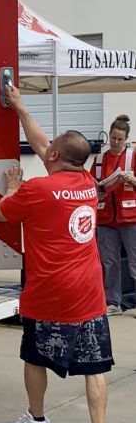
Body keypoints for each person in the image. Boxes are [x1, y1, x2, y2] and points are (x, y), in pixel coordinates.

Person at [0, 85, 113, 423]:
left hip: (49, 292)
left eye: (50, 148)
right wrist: (19, 107)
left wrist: (12, 189)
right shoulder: (88, 185)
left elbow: (1, 213)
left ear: (55, 155)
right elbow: (45, 141)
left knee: (34, 357)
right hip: (90, 292)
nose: (45, 148)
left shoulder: (37, 190)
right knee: (95, 367)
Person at [91, 114, 136, 316]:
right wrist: (97, 189)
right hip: (105, 219)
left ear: (126, 138)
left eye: (120, 139)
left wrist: (133, 180)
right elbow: (92, 184)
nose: (116, 142)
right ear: (109, 136)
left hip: (130, 218)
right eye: (113, 138)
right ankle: (113, 303)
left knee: (135, 261)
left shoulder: (133, 156)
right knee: (110, 263)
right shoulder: (99, 159)